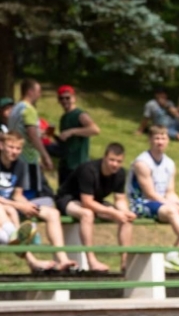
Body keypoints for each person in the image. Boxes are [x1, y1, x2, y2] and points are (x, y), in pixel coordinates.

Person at [129, 126, 179, 271]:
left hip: (163, 203)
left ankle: (173, 254)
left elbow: (170, 192)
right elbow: (150, 194)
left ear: (168, 141)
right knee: (172, 211)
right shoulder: (142, 163)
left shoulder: (170, 163)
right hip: (141, 203)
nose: (160, 142)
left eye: (163, 138)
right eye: (157, 138)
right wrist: (174, 207)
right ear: (150, 140)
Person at [56, 141, 132, 273]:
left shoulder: (120, 173)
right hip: (68, 199)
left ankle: (125, 261)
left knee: (125, 218)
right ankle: (91, 261)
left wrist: (125, 211)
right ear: (104, 158)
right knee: (87, 214)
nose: (115, 164)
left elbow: (120, 199)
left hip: (94, 200)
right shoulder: (89, 170)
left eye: (119, 161)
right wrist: (113, 212)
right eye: (112, 160)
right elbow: (87, 202)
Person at [0, 131, 71, 271]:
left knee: (53, 213)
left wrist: (28, 205)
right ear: (1, 146)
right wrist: (19, 205)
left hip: (11, 205)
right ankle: (31, 260)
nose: (14, 152)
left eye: (18, 148)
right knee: (8, 209)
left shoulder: (20, 165)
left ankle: (63, 259)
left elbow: (17, 194)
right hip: (5, 207)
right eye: (11, 147)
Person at [7, 78, 53, 183]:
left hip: (15, 155)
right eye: (38, 91)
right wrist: (45, 156)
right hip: (28, 158)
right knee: (31, 190)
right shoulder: (29, 109)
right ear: (30, 92)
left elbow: (20, 129)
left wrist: (39, 133)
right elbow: (32, 135)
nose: (39, 95)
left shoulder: (15, 108)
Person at [53, 85, 100, 177]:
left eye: (67, 98)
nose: (64, 101)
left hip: (78, 165)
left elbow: (95, 130)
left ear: (74, 98)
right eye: (61, 98)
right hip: (65, 164)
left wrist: (72, 131)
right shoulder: (64, 117)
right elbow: (66, 142)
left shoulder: (80, 114)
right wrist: (52, 135)